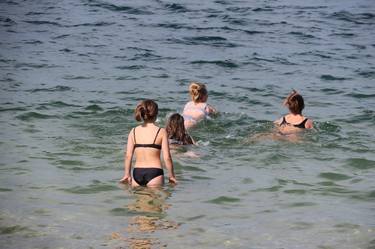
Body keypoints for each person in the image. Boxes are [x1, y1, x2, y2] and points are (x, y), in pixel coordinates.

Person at [120, 100, 177, 187]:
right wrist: (171, 176)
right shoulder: (161, 131)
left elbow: (128, 155)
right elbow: (167, 157)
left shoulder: (133, 131)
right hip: (155, 173)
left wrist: (127, 174)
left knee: (139, 200)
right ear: (156, 114)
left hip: (137, 173)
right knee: (157, 200)